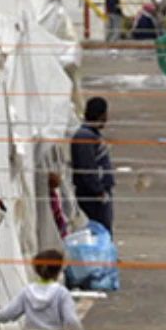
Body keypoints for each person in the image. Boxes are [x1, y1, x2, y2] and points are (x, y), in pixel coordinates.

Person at [71, 97, 115, 233]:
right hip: (93, 198)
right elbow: (86, 167)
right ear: (102, 115)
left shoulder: (91, 135)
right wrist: (98, 191)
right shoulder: (85, 136)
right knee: (98, 231)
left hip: (98, 195)